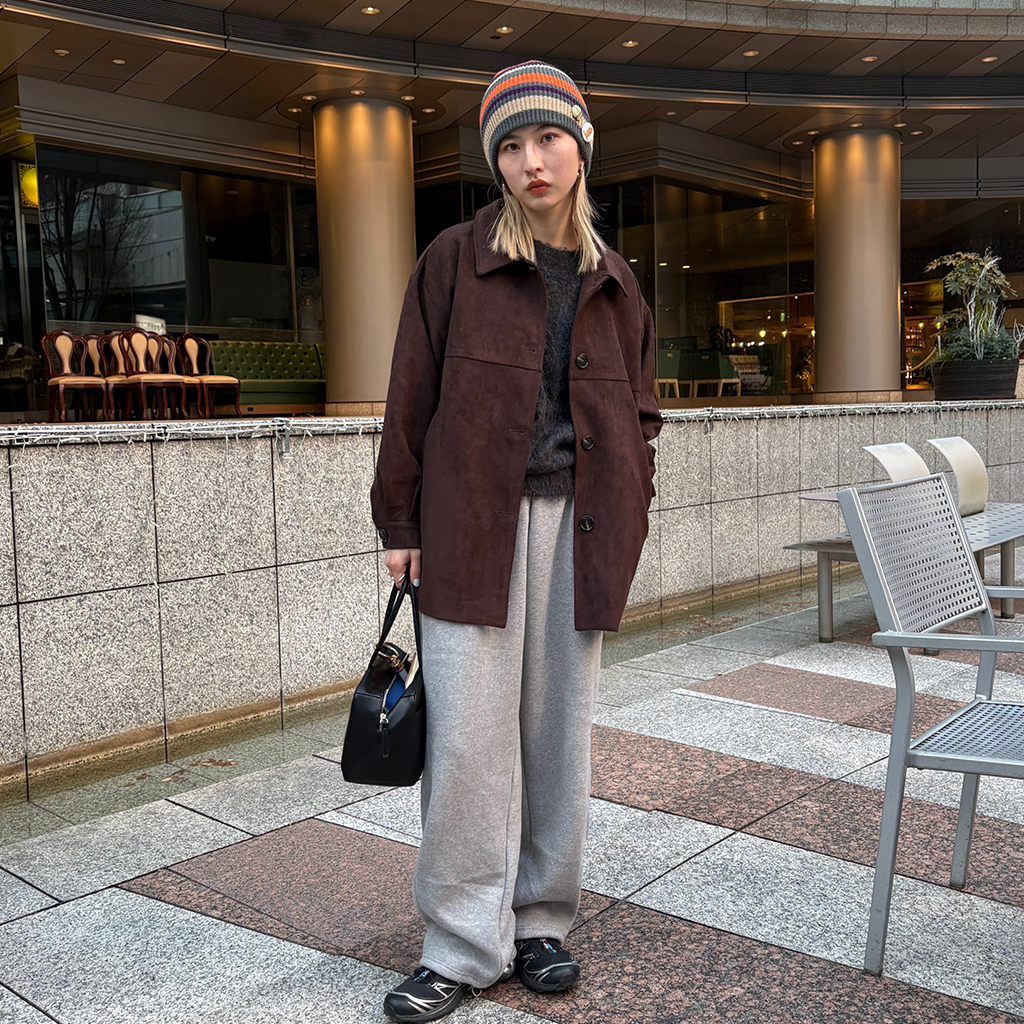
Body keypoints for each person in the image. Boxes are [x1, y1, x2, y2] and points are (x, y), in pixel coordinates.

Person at [370, 59, 661, 1024]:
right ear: (494, 161)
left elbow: (641, 416)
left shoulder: (616, 282)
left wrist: (634, 503)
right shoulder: (455, 260)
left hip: (581, 531)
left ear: (581, 147)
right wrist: (400, 522)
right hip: (471, 528)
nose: (532, 161)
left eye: (549, 138)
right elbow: (409, 396)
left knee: (556, 741)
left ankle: (539, 921)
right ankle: (460, 943)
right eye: (511, 145)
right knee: (467, 746)